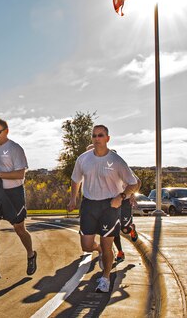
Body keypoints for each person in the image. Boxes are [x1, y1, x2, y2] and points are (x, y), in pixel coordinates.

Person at [68, 125, 138, 293]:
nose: (97, 138)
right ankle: (98, 250)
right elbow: (75, 180)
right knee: (86, 246)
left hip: (109, 206)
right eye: (94, 136)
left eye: (100, 135)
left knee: (108, 246)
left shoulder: (116, 161)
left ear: (107, 138)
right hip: (89, 204)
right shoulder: (83, 159)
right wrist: (73, 199)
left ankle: (105, 278)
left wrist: (121, 197)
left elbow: (134, 183)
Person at [0, 118, 37, 282]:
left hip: (14, 194)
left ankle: (31, 254)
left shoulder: (15, 148)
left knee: (19, 229)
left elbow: (20, 174)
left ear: (6, 131)